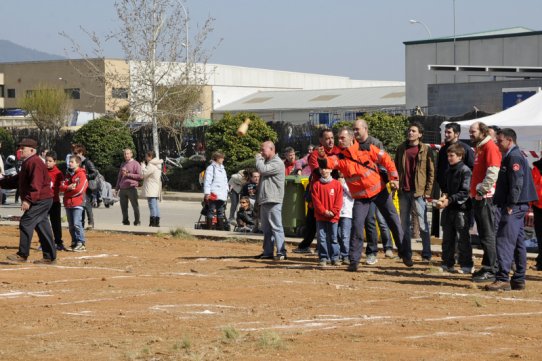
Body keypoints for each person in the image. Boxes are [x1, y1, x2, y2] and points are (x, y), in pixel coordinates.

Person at [321, 127, 408, 271]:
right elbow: (327, 164)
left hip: (379, 191)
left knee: (393, 220)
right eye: (339, 138)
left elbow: (386, 159)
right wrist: (321, 156)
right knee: (357, 226)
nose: (339, 141)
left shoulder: (367, 148)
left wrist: (394, 178)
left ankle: (405, 254)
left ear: (351, 138)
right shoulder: (340, 158)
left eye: (342, 138)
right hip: (361, 198)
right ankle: (354, 261)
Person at [485, 128, 537, 291]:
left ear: (510, 140)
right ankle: (519, 278)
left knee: (504, 240)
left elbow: (517, 183)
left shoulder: (513, 156)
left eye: (500, 141)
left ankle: (503, 278)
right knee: (518, 241)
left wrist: (511, 205)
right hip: (518, 205)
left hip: (514, 206)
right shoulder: (512, 155)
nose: (498, 144)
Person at [0, 138, 57, 264]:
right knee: (42, 226)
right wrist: (1, 183)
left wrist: (28, 200)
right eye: (20, 148)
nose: (20, 150)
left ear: (32, 150)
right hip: (42, 199)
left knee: (26, 222)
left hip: (40, 200)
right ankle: (49, 257)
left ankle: (22, 254)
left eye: (22, 148)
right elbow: (18, 180)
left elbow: (36, 184)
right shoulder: (28, 162)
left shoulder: (35, 162)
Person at [292, 129, 341, 254]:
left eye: (332, 138)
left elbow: (341, 168)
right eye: (327, 138)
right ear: (321, 140)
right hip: (318, 190)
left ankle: (332, 248)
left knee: (335, 220)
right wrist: (332, 167)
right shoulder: (315, 154)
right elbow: (319, 171)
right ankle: (307, 246)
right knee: (312, 220)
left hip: (334, 191)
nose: (330, 141)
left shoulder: (338, 151)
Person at [353, 118, 394, 264]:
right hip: (360, 189)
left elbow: (383, 164)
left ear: (365, 129)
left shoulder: (375, 143)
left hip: (376, 188)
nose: (355, 132)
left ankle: (381, 249)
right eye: (354, 129)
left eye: (357, 129)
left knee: (382, 219)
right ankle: (366, 252)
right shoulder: (353, 145)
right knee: (365, 220)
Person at [395, 122, 435, 263]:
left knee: (423, 224)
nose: (410, 132)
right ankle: (407, 253)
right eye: (409, 130)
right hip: (404, 191)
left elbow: (431, 172)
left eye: (413, 131)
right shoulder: (401, 148)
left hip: (419, 192)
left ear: (420, 134)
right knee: (404, 225)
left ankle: (426, 254)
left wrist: (427, 191)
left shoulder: (425, 149)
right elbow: (395, 168)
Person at [468, 121, 501, 283]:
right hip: (479, 197)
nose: (470, 134)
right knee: (484, 234)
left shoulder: (490, 147)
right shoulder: (480, 148)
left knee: (488, 234)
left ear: (483, 132)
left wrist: (481, 190)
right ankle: (487, 266)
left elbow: (493, 171)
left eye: (473, 131)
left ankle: (492, 269)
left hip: (486, 198)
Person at [434, 144, 473, 273]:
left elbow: (465, 192)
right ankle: (447, 263)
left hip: (461, 209)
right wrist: (443, 197)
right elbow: (446, 189)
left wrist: (448, 200)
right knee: (447, 238)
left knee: (463, 239)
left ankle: (466, 265)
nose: (449, 158)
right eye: (448, 156)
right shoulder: (448, 170)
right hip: (449, 208)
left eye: (452, 156)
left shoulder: (465, 170)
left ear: (460, 156)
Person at [254, 141, 286, 260]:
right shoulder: (267, 162)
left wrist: (258, 158)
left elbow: (262, 170)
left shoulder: (277, 162)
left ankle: (281, 252)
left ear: (272, 149)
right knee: (266, 228)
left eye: (263, 150)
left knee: (276, 226)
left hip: (273, 199)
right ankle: (268, 252)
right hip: (265, 199)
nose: (261, 152)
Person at [312, 160, 343, 266]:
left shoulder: (337, 184)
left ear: (330, 170)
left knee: (334, 238)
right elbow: (316, 201)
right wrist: (324, 212)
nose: (323, 170)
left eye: (326, 168)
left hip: (333, 217)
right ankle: (324, 257)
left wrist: (333, 212)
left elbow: (339, 200)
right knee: (322, 238)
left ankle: (335, 257)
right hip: (321, 217)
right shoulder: (316, 185)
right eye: (321, 169)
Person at [60, 155, 89, 252]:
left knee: (77, 224)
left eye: (72, 162)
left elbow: (79, 189)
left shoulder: (81, 175)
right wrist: (67, 188)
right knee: (71, 225)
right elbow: (61, 186)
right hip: (68, 203)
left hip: (77, 203)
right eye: (69, 161)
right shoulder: (68, 175)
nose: (70, 163)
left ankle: (81, 243)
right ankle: (74, 242)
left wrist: (67, 192)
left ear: (78, 163)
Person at [437, 122, 475, 193]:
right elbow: (440, 168)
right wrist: (440, 181)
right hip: (445, 189)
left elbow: (472, 168)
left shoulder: (466, 149)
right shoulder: (443, 149)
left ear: (457, 134)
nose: (446, 134)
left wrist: (465, 186)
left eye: (449, 132)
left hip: (460, 191)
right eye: (445, 132)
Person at [72, 144, 98, 229]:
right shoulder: (75, 162)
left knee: (86, 204)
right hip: (78, 186)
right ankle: (81, 223)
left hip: (87, 186)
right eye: (74, 153)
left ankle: (91, 222)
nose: (75, 155)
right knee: (80, 205)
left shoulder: (87, 162)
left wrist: (85, 176)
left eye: (76, 153)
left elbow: (94, 173)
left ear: (81, 152)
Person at [115, 148, 142, 226]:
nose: (126, 155)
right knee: (123, 207)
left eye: (128, 153)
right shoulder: (123, 164)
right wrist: (116, 189)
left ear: (131, 154)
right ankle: (125, 221)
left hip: (132, 188)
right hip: (123, 188)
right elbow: (119, 177)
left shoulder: (136, 164)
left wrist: (128, 175)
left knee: (135, 206)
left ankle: (137, 221)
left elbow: (140, 176)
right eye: (125, 154)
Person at [45, 151, 66, 250]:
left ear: (55, 162)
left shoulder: (58, 173)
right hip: (44, 201)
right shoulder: (42, 171)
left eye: (50, 161)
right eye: (46, 161)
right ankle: (45, 242)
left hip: (54, 201)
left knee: (56, 223)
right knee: (43, 223)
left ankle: (58, 242)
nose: (47, 163)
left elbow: (61, 187)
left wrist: (66, 187)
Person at [203, 151, 228, 230]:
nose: (223, 159)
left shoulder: (222, 168)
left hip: (222, 193)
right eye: (221, 158)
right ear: (217, 158)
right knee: (211, 210)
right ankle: (209, 228)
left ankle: (220, 228)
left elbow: (225, 180)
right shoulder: (211, 168)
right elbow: (207, 181)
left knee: (221, 211)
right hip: (213, 192)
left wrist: (227, 190)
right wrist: (207, 193)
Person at [140, 150, 163, 227]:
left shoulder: (151, 165)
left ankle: (153, 222)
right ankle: (156, 222)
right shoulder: (157, 164)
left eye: (146, 156)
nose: (145, 158)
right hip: (155, 187)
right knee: (155, 205)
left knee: (152, 205)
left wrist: (142, 166)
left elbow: (143, 174)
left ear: (150, 157)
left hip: (151, 187)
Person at [337, 171, 353, 264]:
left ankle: (346, 255)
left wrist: (343, 185)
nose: (340, 172)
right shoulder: (335, 181)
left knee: (345, 235)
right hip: (337, 213)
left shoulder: (350, 181)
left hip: (347, 212)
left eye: (342, 170)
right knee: (337, 235)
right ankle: (339, 254)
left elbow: (352, 194)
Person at [530, 156, 542, 272]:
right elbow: (532, 186)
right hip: (538, 206)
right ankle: (541, 262)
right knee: (540, 236)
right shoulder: (536, 168)